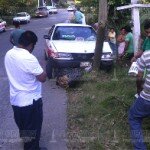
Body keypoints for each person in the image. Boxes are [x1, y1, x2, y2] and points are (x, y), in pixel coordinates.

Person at [5, 31, 47, 150]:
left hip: (16, 100)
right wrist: (42, 66)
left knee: (24, 127)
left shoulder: (9, 53)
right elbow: (42, 78)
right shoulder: (29, 58)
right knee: (33, 131)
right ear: (31, 45)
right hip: (30, 102)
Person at [128, 50, 150, 150]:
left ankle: (140, 148)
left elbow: (139, 76)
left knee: (134, 117)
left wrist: (139, 90)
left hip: (147, 98)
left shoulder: (147, 54)